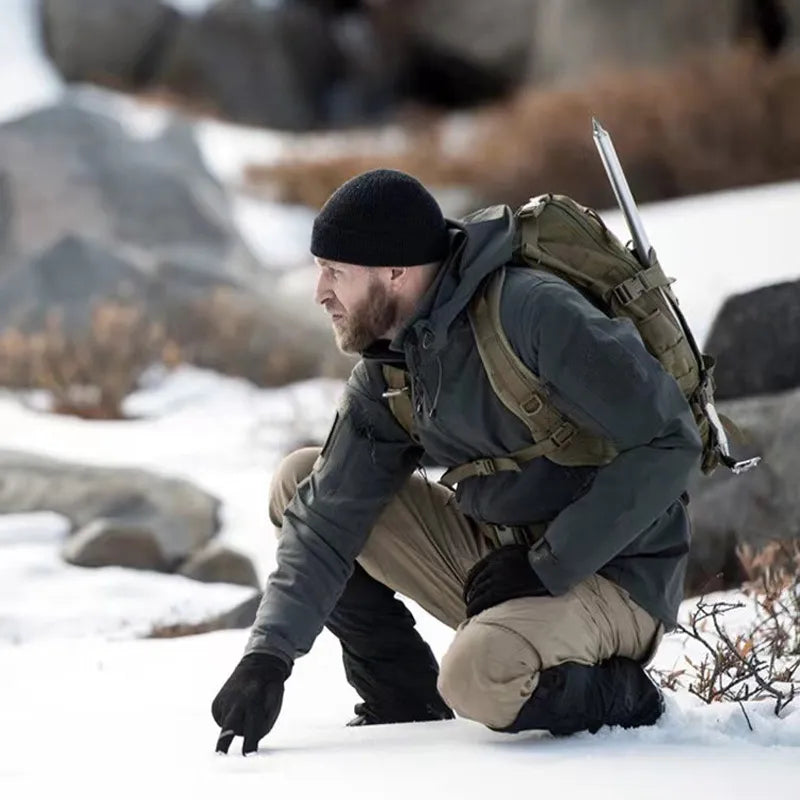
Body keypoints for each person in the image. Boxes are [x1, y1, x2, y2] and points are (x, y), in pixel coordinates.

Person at [212, 168, 702, 755]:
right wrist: (268, 656)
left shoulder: (534, 313)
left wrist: (550, 561)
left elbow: (669, 442)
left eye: (335, 272)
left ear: (395, 271)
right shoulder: (391, 363)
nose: (320, 291)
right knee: (300, 483)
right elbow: (326, 518)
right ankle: (401, 698)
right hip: (502, 566)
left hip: (615, 575)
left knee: (479, 677)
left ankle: (627, 697)